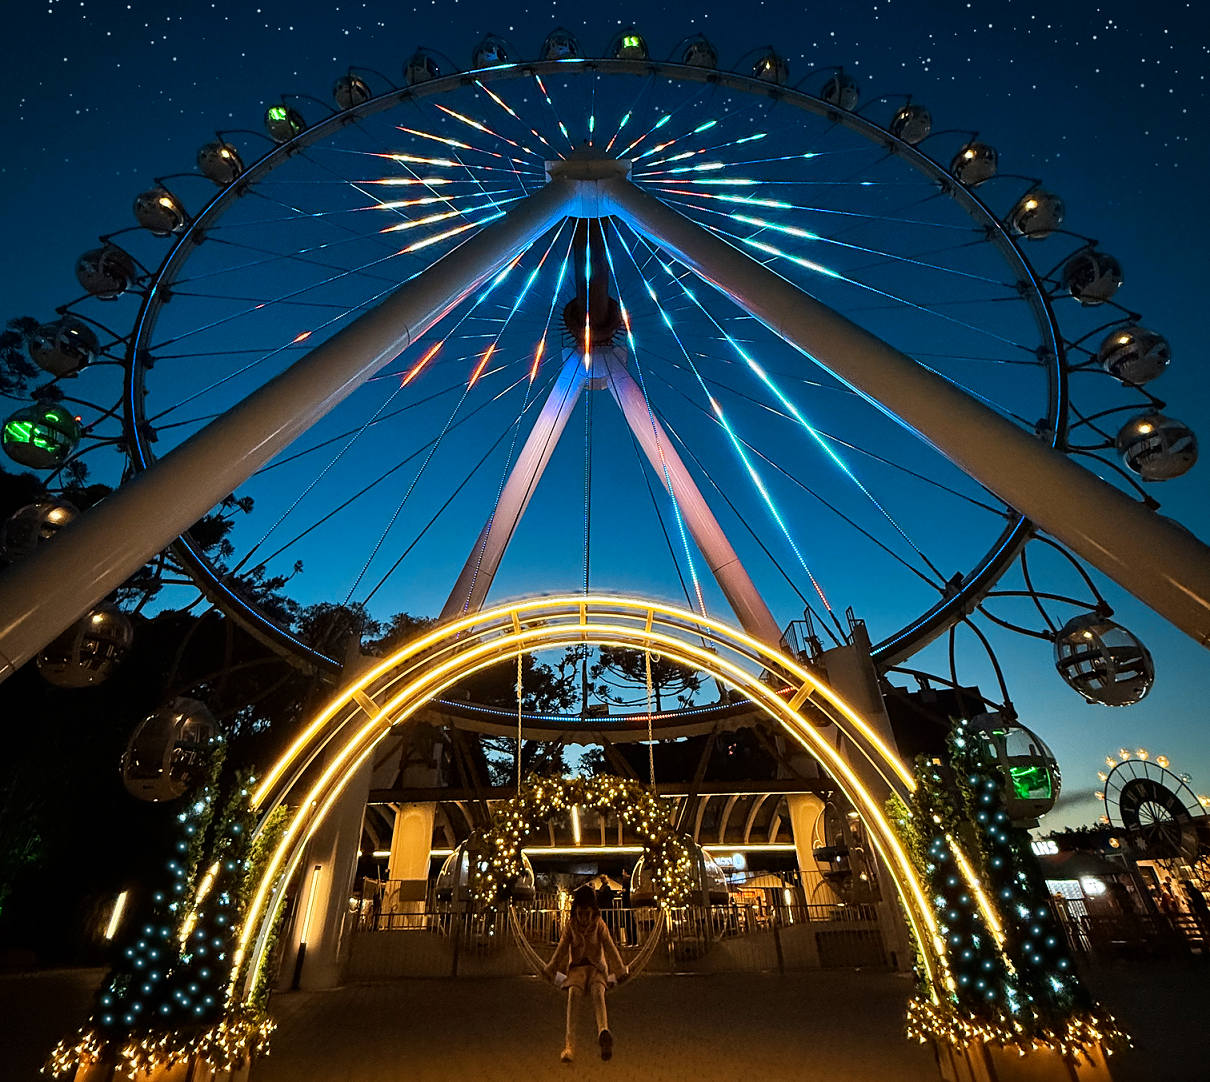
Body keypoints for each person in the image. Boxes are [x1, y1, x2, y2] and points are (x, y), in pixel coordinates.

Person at [543, 884, 629, 1062]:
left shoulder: (599, 925)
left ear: (594, 912)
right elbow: (561, 949)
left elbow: (610, 947)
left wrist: (620, 970)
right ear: (575, 912)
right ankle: (569, 1046)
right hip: (577, 969)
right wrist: (551, 968)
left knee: (599, 992)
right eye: (580, 914)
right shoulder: (571, 925)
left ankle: (603, 1033)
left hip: (597, 968)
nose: (583, 919)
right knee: (573, 995)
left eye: (587, 914)